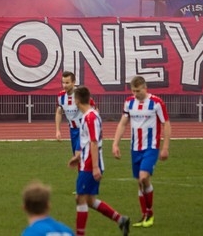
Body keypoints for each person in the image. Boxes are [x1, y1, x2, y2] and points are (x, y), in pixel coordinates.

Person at [67, 85, 131, 236]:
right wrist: (78, 157)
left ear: (77, 100)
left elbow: (94, 142)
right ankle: (121, 219)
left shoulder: (90, 117)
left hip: (90, 164)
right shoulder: (89, 115)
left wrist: (95, 167)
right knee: (89, 200)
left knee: (80, 198)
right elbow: (87, 142)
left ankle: (80, 234)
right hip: (87, 161)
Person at [111, 76, 171, 228]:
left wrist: (165, 147)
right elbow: (123, 123)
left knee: (144, 177)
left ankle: (149, 213)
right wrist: (115, 144)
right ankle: (145, 215)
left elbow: (166, 124)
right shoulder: (129, 102)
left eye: (138, 91)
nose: (135, 94)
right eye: (133, 91)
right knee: (139, 183)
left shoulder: (156, 103)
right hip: (135, 148)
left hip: (151, 147)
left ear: (145, 88)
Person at [55, 71, 93, 155]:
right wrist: (58, 130)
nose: (64, 85)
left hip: (84, 129)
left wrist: (92, 126)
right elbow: (59, 112)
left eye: (67, 83)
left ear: (73, 82)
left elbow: (94, 109)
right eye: (63, 83)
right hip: (73, 130)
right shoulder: (61, 96)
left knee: (78, 154)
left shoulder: (81, 94)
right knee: (77, 157)